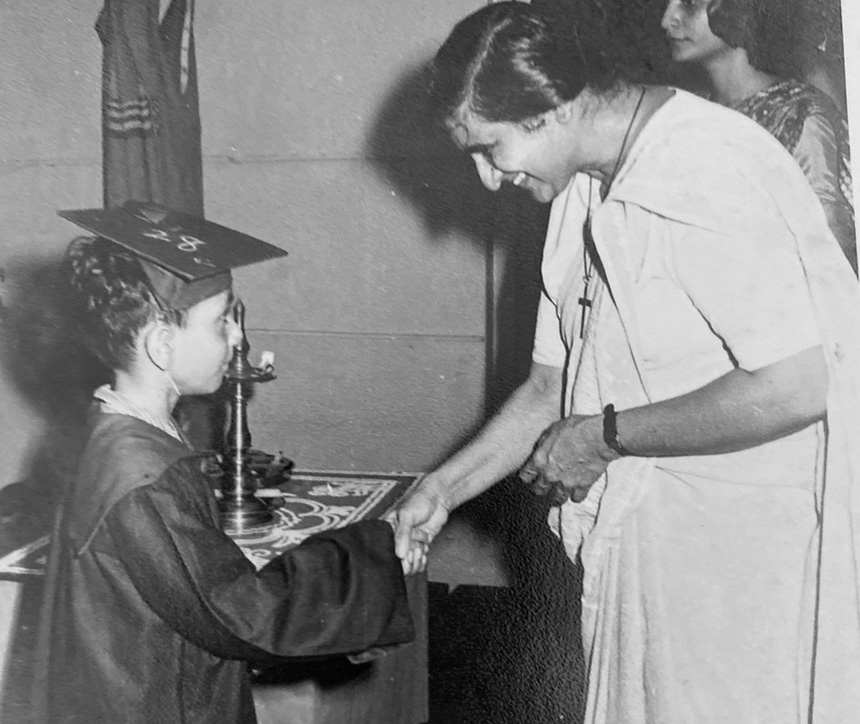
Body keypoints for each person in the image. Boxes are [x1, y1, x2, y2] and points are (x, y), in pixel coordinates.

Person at [390, 3, 860, 722]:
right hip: (647, 553)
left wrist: (605, 436)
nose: (487, 179)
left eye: (491, 148)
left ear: (553, 110)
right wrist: (444, 489)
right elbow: (552, 384)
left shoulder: (709, 168)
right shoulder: (583, 184)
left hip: (738, 563)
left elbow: (800, 384)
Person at [32, 202, 425, 724]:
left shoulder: (116, 431)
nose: (237, 339)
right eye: (222, 322)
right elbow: (249, 612)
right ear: (162, 344)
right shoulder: (141, 477)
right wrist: (376, 552)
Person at [661, 0, 857, 273]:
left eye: (690, 4)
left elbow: (832, 255)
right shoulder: (681, 111)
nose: (667, 20)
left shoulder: (797, 114)